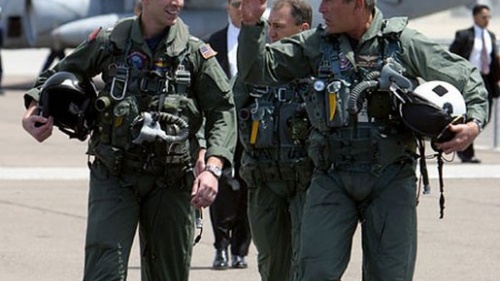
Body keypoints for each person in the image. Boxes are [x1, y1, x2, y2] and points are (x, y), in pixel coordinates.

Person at [237, 0, 488, 280]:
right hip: (332, 176)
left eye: (329, 2)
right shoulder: (317, 44)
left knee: (389, 274)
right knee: (314, 272)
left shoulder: (403, 43)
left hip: (390, 178)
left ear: (357, 4)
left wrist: (474, 123)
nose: (321, 9)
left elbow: (467, 77)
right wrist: (251, 25)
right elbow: (258, 70)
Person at [21, 0, 237, 280]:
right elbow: (61, 73)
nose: (177, 3)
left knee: (168, 273)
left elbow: (222, 108)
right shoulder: (111, 42)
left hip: (172, 181)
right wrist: (34, 111)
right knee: (104, 271)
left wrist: (213, 166)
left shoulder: (194, 52)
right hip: (114, 174)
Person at [233, 0, 313, 280]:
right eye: (269, 26)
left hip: (307, 182)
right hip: (264, 183)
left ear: (303, 29)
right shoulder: (255, 69)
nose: (271, 33)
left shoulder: (318, 68)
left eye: (278, 27)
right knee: (272, 264)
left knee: (309, 260)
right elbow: (232, 115)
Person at [204, 0, 252, 270]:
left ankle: (240, 249)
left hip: (252, 127)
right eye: (236, 4)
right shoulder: (214, 42)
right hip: (222, 127)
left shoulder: (262, 42)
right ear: (227, 8)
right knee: (220, 187)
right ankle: (221, 247)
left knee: (247, 188)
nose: (240, 9)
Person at [449, 4, 499, 163]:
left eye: (489, 17)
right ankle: (466, 153)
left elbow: (492, 61)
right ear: (475, 17)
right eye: (484, 17)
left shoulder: (490, 36)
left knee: (485, 116)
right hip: (468, 79)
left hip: (485, 80)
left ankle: (464, 141)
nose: (487, 20)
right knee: (468, 114)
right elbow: (451, 56)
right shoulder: (464, 35)